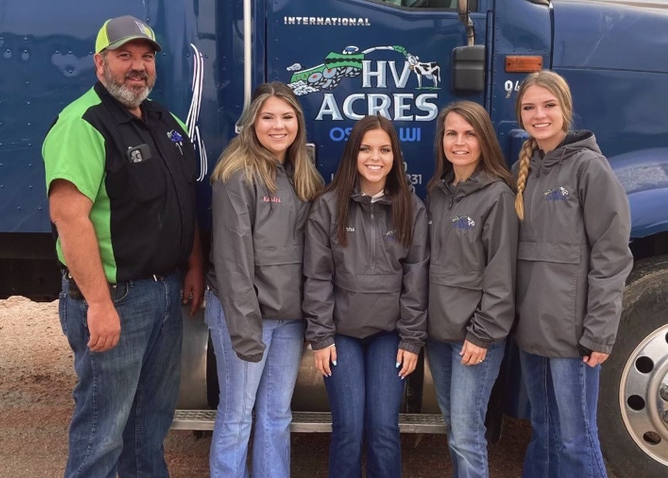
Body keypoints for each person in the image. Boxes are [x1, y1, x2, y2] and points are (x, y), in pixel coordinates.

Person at [42, 15, 204, 478]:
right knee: (102, 430)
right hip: (118, 298)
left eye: (146, 57)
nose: (138, 67)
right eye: (125, 56)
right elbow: (69, 218)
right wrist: (98, 303)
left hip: (166, 293)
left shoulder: (165, 121)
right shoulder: (83, 124)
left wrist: (193, 265)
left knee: (150, 424)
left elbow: (182, 200)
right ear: (100, 63)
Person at [512, 70, 632, 478]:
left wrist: (599, 329)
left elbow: (612, 254)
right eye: (529, 107)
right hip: (532, 330)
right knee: (544, 430)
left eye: (548, 106)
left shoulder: (589, 168)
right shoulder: (524, 170)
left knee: (576, 437)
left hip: (574, 335)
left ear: (565, 110)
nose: (539, 115)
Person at [206, 81, 323, 478]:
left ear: (299, 123)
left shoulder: (303, 176)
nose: (278, 126)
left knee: (277, 415)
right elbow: (232, 260)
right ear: (252, 122)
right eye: (268, 117)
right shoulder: (237, 175)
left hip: (288, 319)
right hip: (247, 317)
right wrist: (244, 330)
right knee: (238, 415)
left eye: (287, 117)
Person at [304, 114, 429, 478]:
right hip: (341, 334)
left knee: (383, 429)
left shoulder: (411, 207)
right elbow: (317, 275)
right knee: (349, 428)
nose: (375, 157)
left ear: (395, 156)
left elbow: (416, 276)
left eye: (385, 149)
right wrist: (321, 335)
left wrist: (411, 337)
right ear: (352, 155)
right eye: (366, 148)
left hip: (390, 336)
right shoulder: (328, 206)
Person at [424, 101, 518, 478]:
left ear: (484, 141)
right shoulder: (437, 192)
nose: (459, 142)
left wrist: (482, 334)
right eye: (451, 133)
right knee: (454, 429)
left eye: (469, 134)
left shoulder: (498, 196)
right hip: (439, 334)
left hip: (474, 338)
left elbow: (502, 273)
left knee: (466, 435)